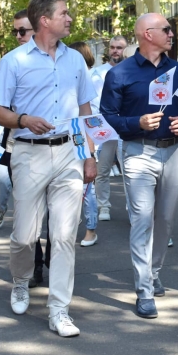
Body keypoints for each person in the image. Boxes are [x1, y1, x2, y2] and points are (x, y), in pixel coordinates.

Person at [0, 0, 96, 337]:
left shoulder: (76, 61)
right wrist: (23, 119)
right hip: (28, 153)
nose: (70, 18)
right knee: (24, 236)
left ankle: (59, 310)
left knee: (64, 236)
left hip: (69, 154)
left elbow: (85, 112)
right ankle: (20, 281)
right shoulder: (14, 61)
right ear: (45, 20)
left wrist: (90, 155)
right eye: (64, 13)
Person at [101, 13, 178, 319]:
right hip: (138, 153)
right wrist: (136, 122)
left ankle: (154, 274)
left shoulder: (177, 69)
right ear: (147, 34)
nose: (171, 33)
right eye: (166, 29)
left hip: (173, 154)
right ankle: (143, 290)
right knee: (142, 220)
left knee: (165, 221)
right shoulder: (121, 73)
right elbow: (108, 115)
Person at [0, 9, 34, 229]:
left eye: (23, 31)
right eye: (15, 31)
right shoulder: (10, 62)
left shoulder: (61, 62)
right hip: (14, 140)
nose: (18, 36)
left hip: (51, 146)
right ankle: (2, 208)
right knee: (4, 180)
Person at [92, 35, 128, 225]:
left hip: (126, 127)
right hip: (104, 128)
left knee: (130, 171)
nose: (115, 51)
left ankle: (133, 207)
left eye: (119, 48)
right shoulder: (97, 73)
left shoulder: (132, 71)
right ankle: (103, 205)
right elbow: (90, 103)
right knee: (102, 170)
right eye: (113, 47)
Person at [69, 40, 100, 248]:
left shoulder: (93, 79)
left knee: (87, 188)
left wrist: (91, 149)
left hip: (87, 138)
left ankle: (91, 229)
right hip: (69, 137)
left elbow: (92, 116)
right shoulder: (68, 78)